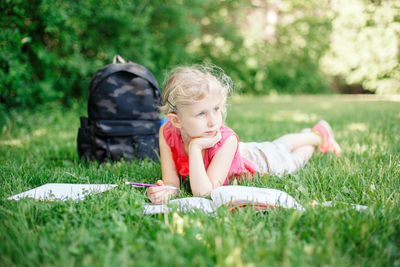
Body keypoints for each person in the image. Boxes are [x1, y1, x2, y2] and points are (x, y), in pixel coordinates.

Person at [146, 66, 341, 204]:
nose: (213, 120)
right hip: (243, 152)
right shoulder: (167, 132)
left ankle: (316, 138)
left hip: (259, 162)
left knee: (289, 158)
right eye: (201, 113)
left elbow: (203, 192)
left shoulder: (226, 140)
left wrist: (196, 148)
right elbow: (173, 183)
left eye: (216, 109)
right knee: (277, 145)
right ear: (176, 120)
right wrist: (164, 192)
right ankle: (312, 134)